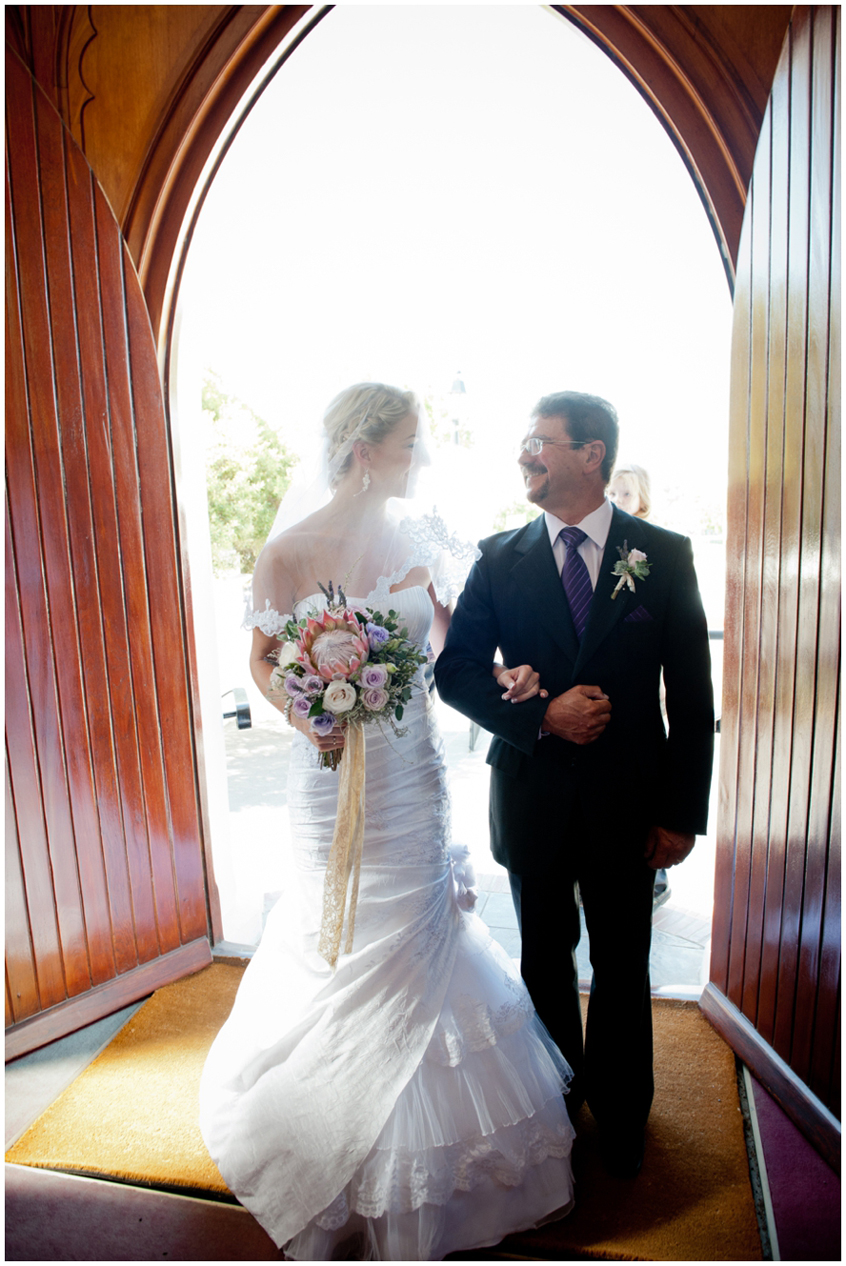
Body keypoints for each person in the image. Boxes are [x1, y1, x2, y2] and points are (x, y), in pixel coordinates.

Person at [199, 383, 576, 1261]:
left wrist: (508, 677)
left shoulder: (422, 541)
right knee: (337, 933)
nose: (422, 458)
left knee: (418, 929)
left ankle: (438, 1164)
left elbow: (449, 646)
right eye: (410, 444)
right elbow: (261, 660)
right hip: (329, 774)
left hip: (411, 776)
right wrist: (305, 715)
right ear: (364, 450)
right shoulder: (287, 550)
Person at [435, 391, 714, 1179]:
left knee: (624, 962)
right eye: (524, 443)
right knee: (543, 962)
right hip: (535, 798)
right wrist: (541, 716)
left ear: (591, 455)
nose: (525, 455)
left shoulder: (662, 555)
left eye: (540, 442)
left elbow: (692, 700)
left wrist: (681, 813)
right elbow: (456, 673)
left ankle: (624, 1115)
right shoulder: (498, 557)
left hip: (631, 805)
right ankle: (552, 1104)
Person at [608, 462, 670, 910]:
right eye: (613, 493)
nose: (617, 500)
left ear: (642, 500)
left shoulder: (659, 552)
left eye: (625, 494)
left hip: (638, 707)